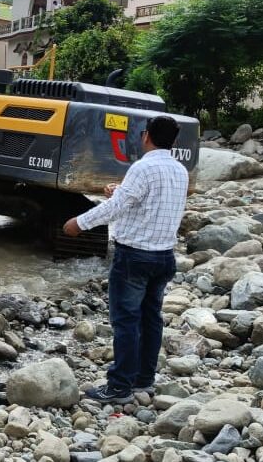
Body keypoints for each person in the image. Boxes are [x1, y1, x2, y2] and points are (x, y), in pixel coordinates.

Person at [63, 115, 188, 404]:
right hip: (164, 256)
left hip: (134, 256)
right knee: (151, 319)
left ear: (146, 136)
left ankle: (119, 386)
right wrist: (117, 190)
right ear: (174, 140)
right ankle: (144, 380)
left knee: (126, 322)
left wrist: (79, 223)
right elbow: (149, 202)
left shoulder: (142, 167)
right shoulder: (179, 170)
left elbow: (117, 208)